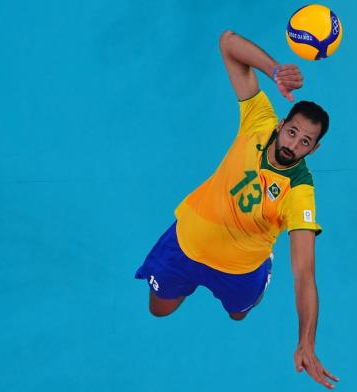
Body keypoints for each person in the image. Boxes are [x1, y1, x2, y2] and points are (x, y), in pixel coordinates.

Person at [135, 31, 339, 389]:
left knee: (238, 314)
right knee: (159, 309)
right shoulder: (259, 120)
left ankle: (260, 276)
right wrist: (275, 70)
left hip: (241, 267)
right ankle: (189, 282)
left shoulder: (300, 193)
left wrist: (307, 342)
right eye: (292, 132)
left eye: (305, 141)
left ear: (314, 149)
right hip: (187, 241)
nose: (293, 144)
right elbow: (228, 42)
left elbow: (305, 272)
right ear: (280, 126)